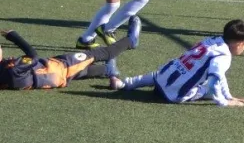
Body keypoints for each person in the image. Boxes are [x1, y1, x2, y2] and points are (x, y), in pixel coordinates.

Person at [112, 19, 244, 107]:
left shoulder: (212, 40)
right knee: (206, 88)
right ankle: (204, 94)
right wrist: (225, 102)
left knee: (157, 74)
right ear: (240, 44)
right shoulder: (223, 56)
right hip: (174, 95)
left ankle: (124, 83)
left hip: (162, 78)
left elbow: (220, 75)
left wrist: (228, 94)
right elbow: (215, 80)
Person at [1, 18, 140, 90]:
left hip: (54, 78)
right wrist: (13, 35)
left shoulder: (4, 76)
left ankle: (110, 72)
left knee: (85, 70)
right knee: (103, 52)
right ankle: (131, 41)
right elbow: (32, 55)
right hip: (62, 66)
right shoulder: (11, 69)